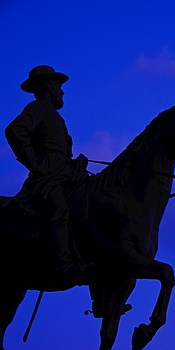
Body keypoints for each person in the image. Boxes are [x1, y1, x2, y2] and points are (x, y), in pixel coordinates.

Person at [5, 65, 90, 288]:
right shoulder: (37, 108)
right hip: (49, 175)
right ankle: (63, 265)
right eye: (58, 87)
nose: (62, 92)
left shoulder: (53, 115)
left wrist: (74, 164)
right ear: (46, 87)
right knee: (59, 210)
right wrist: (33, 163)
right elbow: (15, 129)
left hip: (64, 172)